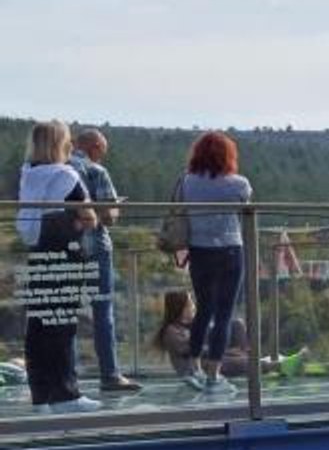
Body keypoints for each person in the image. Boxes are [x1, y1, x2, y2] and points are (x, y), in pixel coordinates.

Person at [15, 120, 103, 413]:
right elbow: (89, 217)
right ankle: (67, 395)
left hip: (39, 252)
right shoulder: (67, 175)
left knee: (38, 326)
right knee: (63, 325)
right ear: (61, 144)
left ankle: (41, 397)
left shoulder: (28, 173)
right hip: (66, 255)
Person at [69, 128, 141, 392]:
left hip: (65, 246)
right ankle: (109, 375)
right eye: (103, 151)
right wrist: (115, 206)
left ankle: (69, 375)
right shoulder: (96, 171)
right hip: (95, 246)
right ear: (96, 148)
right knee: (102, 311)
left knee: (66, 311)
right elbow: (108, 217)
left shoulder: (59, 167)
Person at [180, 132, 252, 395]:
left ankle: (193, 367)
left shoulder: (187, 182)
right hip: (230, 249)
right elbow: (246, 208)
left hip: (199, 250)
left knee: (203, 310)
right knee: (224, 314)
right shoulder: (239, 184)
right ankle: (214, 375)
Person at [154, 290, 306, 381]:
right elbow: (195, 350)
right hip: (196, 369)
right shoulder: (171, 332)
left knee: (235, 324)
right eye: (190, 304)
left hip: (207, 358)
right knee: (231, 362)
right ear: (179, 308)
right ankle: (279, 366)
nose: (194, 307)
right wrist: (224, 351)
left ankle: (253, 359)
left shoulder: (191, 325)